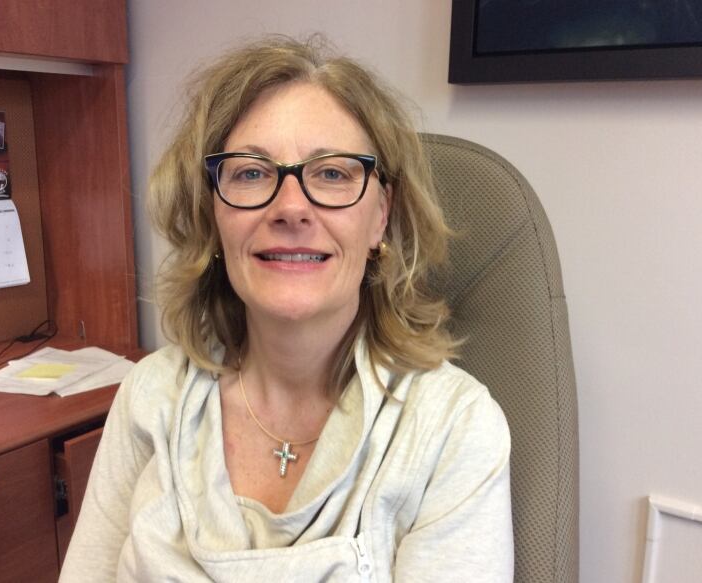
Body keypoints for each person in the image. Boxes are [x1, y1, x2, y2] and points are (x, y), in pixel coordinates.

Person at [60, 35, 513, 582]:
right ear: (213, 214)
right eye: (251, 173)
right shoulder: (150, 396)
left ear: (380, 216)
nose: (291, 206)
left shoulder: (454, 428)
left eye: (333, 173)